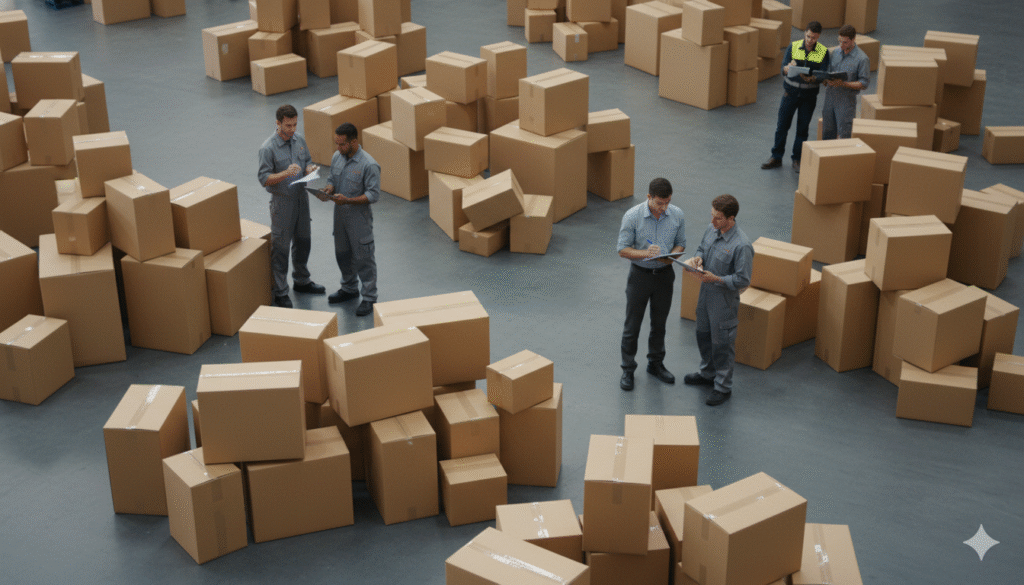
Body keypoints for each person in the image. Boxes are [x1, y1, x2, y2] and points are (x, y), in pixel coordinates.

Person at [616, 178, 686, 392]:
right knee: (632, 325)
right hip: (640, 277)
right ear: (649, 197)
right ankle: (628, 368)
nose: (663, 208)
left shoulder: (677, 215)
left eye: (667, 202)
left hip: (665, 275)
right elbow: (622, 249)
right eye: (659, 203)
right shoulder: (632, 216)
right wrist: (646, 253)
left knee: (660, 324)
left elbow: (681, 243)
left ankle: (655, 364)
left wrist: (671, 255)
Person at [684, 195, 753, 406]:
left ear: (731, 218)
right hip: (705, 295)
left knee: (722, 343)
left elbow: (743, 279)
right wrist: (698, 258)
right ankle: (707, 374)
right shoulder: (712, 229)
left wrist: (718, 279)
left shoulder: (741, 245)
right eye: (712, 216)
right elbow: (701, 248)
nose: (713, 222)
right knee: (702, 334)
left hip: (724, 301)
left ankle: (723, 387)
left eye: (718, 218)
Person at [258, 104, 325, 308]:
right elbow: (264, 178)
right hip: (282, 203)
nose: (292, 129)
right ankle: (280, 291)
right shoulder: (267, 148)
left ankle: (302, 280)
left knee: (303, 241)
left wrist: (309, 168)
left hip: (301, 199)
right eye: (288, 125)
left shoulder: (299, 140)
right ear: (277, 123)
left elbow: (307, 161)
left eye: (295, 124)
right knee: (281, 248)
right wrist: (285, 173)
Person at [321, 123, 381, 317]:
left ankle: (370, 297)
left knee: (364, 257)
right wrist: (328, 189)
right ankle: (349, 288)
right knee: (342, 254)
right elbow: (332, 179)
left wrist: (349, 200)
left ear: (354, 142)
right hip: (339, 218)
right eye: (336, 143)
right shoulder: (337, 157)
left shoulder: (368, 164)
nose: (338, 148)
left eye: (342, 144)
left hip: (359, 219)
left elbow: (373, 195)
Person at [762, 21, 830, 173]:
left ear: (818, 37)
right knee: (782, 127)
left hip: (809, 97)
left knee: (802, 129)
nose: (809, 40)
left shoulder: (823, 52)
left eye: (813, 38)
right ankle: (776, 157)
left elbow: (824, 73)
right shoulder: (793, 47)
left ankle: (797, 159)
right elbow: (783, 68)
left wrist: (814, 78)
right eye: (808, 36)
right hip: (790, 94)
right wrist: (787, 68)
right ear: (804, 33)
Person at [821, 24, 871, 140]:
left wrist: (843, 84)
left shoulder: (862, 59)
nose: (841, 45)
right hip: (830, 97)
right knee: (827, 131)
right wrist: (825, 79)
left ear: (853, 40)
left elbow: (864, 83)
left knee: (845, 133)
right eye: (840, 41)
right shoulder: (835, 53)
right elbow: (829, 71)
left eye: (845, 42)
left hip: (846, 101)